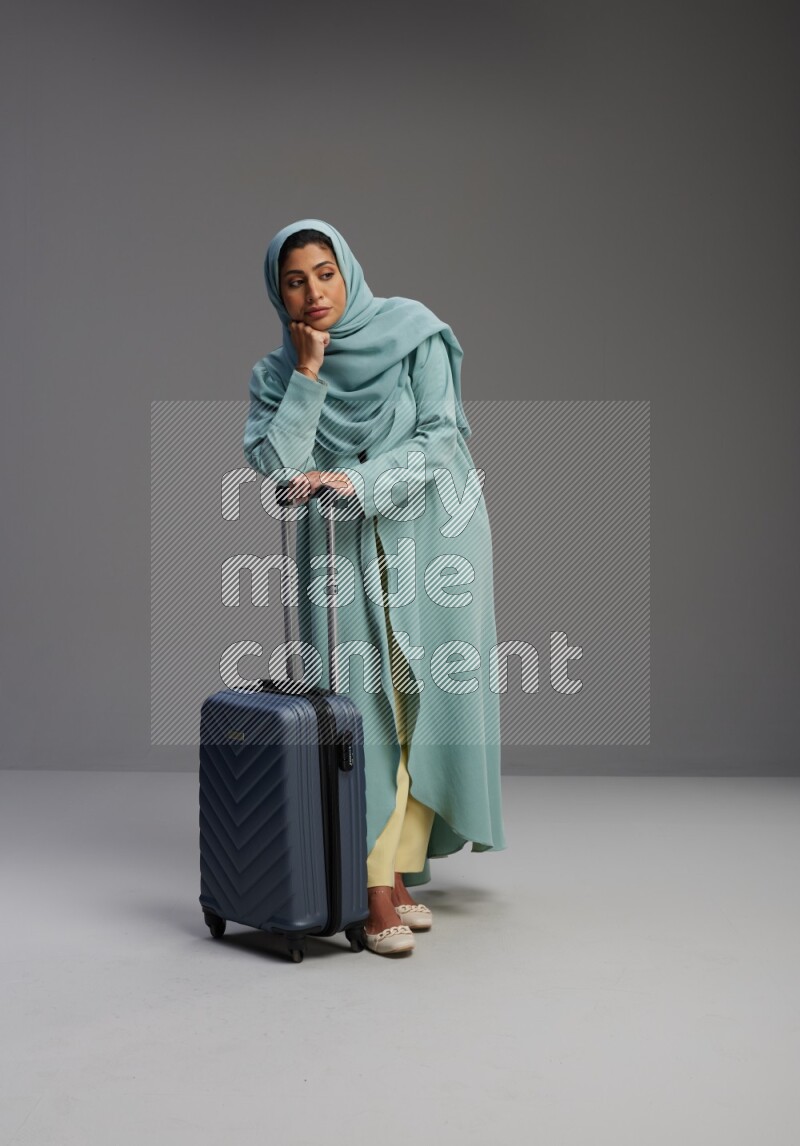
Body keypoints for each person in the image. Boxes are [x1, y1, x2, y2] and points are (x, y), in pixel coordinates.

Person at [243, 218, 507, 957]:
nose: (314, 291)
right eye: (295, 280)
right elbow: (279, 468)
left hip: (434, 534)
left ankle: (392, 868)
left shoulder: (416, 335)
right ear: (278, 291)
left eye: (324, 272)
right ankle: (370, 883)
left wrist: (358, 480)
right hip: (339, 552)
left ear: (346, 269)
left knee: (425, 698)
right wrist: (307, 375)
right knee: (359, 712)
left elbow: (442, 435)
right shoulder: (275, 375)